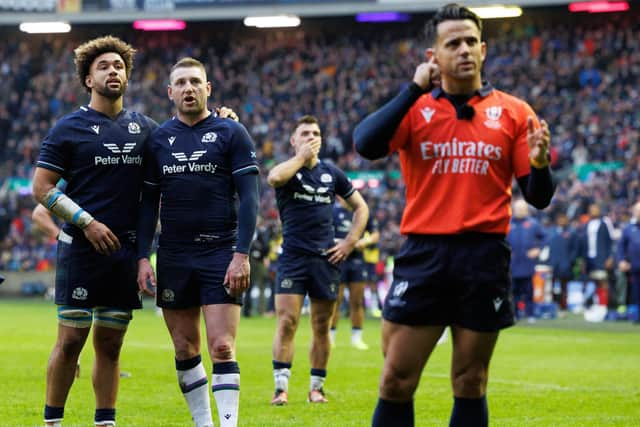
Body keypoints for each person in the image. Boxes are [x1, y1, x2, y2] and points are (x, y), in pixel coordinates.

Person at [352, 4, 554, 426]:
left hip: (483, 255)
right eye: (452, 43)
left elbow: (538, 197)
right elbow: (366, 144)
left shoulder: (515, 112)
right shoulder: (416, 107)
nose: (463, 50)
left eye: (469, 42)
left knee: (470, 379)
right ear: (434, 57)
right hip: (425, 253)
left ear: (483, 50)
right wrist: (413, 89)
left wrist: (539, 163)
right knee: (396, 380)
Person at [32, 36, 157, 427]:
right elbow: (41, 187)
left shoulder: (146, 128)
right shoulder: (69, 128)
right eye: (103, 66)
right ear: (88, 79)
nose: (113, 71)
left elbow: (183, 141)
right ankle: (53, 421)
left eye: (119, 66)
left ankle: (105, 421)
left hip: (123, 254)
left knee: (111, 343)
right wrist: (86, 222)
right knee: (70, 341)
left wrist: (220, 119)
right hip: (80, 250)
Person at [136, 57, 259, 427]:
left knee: (222, 346)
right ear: (170, 91)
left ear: (208, 89)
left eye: (195, 82)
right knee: (184, 347)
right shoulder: (157, 141)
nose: (188, 88)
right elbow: (147, 206)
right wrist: (143, 257)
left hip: (220, 251)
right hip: (173, 254)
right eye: (181, 83)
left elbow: (251, 198)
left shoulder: (232, 133)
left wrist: (241, 254)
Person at [268, 115, 369, 405]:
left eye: (315, 133)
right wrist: (301, 157)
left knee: (321, 324)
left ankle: (316, 388)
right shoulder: (289, 171)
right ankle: (281, 389)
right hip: (293, 258)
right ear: (294, 140)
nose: (311, 137)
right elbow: (274, 178)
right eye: (304, 133)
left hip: (326, 260)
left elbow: (361, 208)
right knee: (287, 321)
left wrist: (349, 242)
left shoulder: (332, 174)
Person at [329, 196, 380, 350]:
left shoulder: (363, 212)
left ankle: (356, 338)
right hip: (338, 258)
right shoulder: (332, 211)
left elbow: (375, 234)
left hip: (357, 260)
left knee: (357, 301)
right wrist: (340, 242)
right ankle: (330, 337)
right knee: (335, 301)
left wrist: (364, 242)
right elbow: (324, 233)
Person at [507, 199, 546, 323]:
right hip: (511, 265)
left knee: (528, 291)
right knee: (513, 291)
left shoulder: (533, 224)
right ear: (514, 209)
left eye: (523, 209)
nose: (521, 211)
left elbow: (544, 238)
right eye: (519, 209)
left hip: (527, 264)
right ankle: (515, 314)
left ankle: (530, 314)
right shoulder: (508, 223)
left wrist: (538, 249)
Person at [617, 201, 640, 323]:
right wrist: (621, 260)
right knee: (635, 293)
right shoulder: (629, 228)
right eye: (637, 211)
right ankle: (636, 316)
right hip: (634, 267)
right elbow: (621, 247)